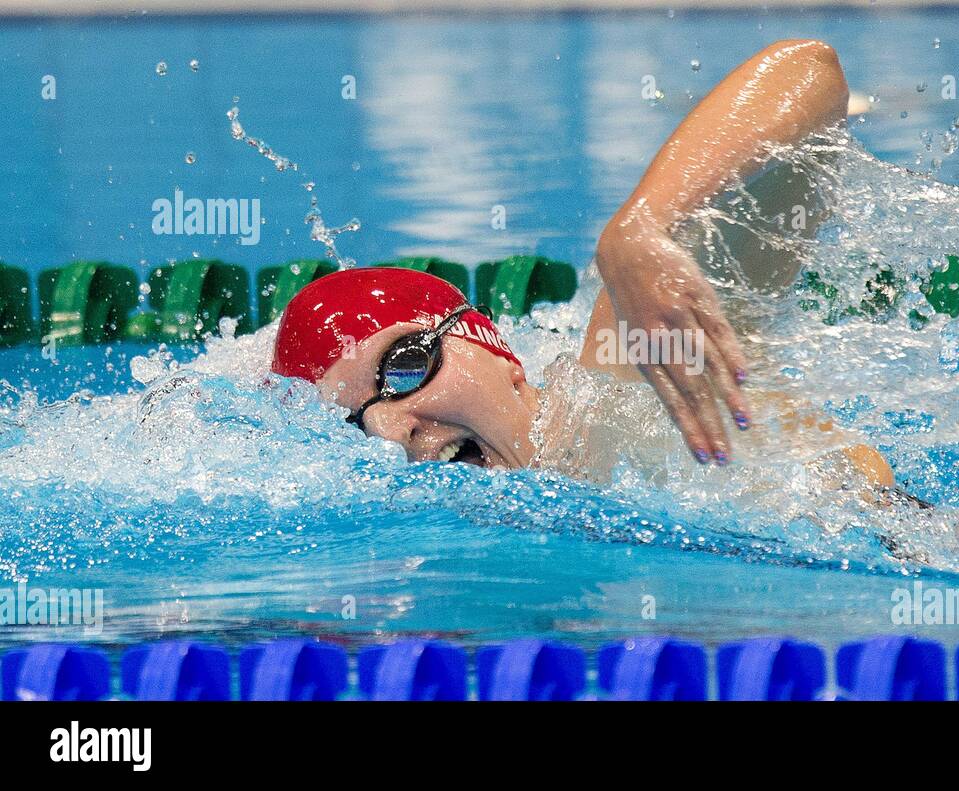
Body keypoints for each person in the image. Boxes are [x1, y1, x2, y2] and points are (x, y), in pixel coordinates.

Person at [271, 39, 899, 499]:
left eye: (404, 364)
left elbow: (810, 72)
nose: (390, 428)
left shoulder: (626, 385)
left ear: (494, 349)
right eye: (355, 425)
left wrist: (640, 230)